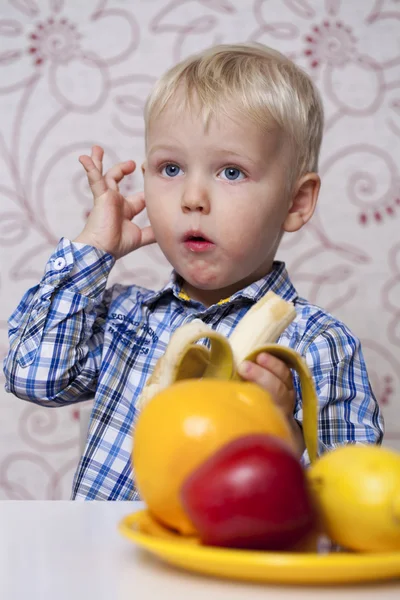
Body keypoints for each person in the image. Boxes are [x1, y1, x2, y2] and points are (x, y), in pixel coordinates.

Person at [3, 43, 383, 500]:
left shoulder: (319, 345)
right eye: (171, 168)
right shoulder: (125, 318)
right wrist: (91, 252)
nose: (192, 197)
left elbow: (351, 503)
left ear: (296, 202)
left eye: (231, 172)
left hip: (227, 572)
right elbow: (31, 376)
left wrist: (284, 431)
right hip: (106, 566)